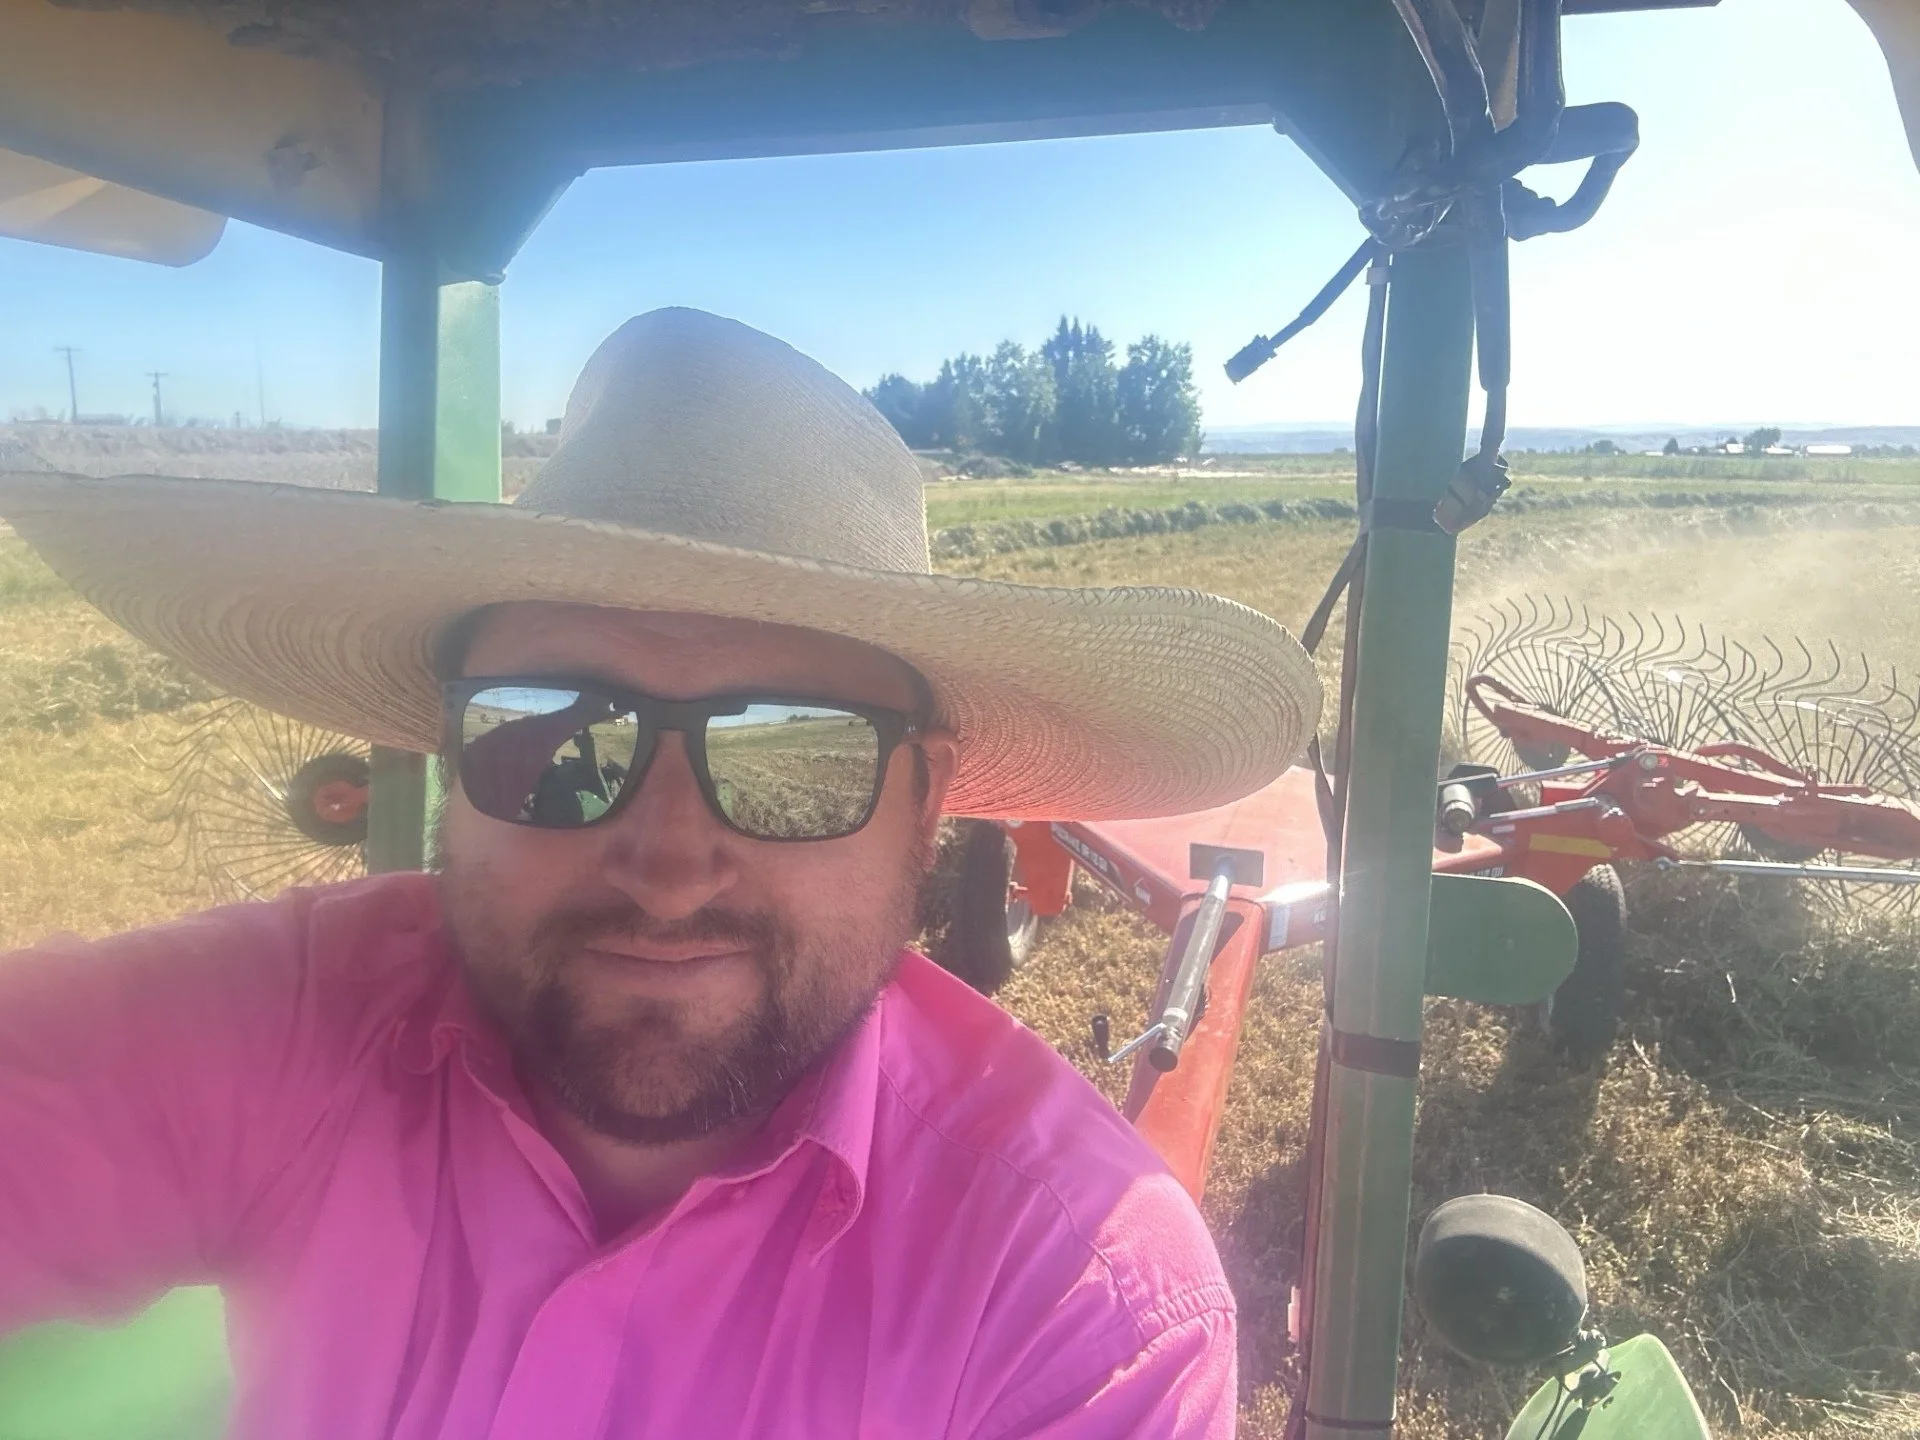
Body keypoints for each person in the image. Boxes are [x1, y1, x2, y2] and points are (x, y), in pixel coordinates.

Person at [0, 308, 1320, 1438]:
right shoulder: (290, 1022)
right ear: (454, 759)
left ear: (924, 804)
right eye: (553, 741)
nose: (670, 866)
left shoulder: (1073, 1312)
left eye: (794, 758)